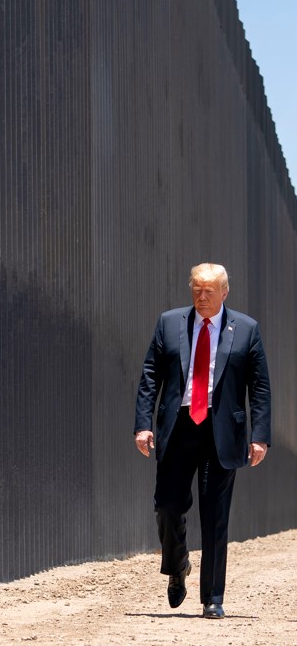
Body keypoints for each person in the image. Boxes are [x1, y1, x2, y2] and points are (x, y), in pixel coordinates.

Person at [134, 263, 271, 619]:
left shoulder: (246, 329)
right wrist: (143, 425)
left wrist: (260, 436)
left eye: (209, 291)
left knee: (215, 517)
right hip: (178, 427)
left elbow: (259, 387)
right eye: (196, 289)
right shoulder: (169, 322)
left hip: (221, 431)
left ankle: (212, 597)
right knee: (167, 506)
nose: (202, 297)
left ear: (225, 292)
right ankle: (178, 567)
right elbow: (150, 374)